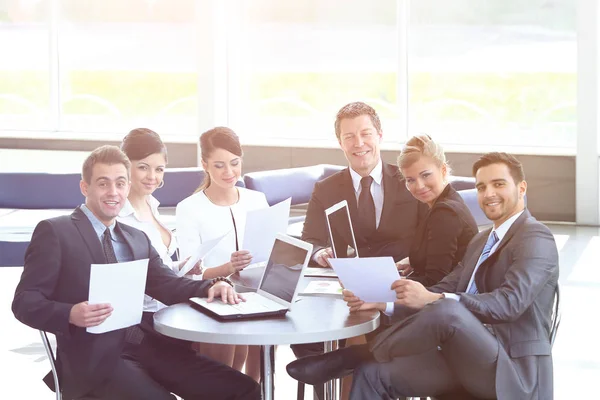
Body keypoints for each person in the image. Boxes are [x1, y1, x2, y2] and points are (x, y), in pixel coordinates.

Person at [287, 152, 559, 400]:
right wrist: (385, 303)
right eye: (481, 187)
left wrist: (436, 298)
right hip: (462, 356)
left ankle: (353, 356)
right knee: (373, 375)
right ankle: (361, 360)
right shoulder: (482, 240)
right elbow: (448, 285)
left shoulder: (536, 237)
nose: (488, 193)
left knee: (447, 309)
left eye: (499, 184)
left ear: (521, 188)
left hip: (512, 371)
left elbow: (509, 304)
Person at [12, 145, 260, 400]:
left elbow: (167, 284)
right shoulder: (56, 232)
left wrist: (211, 286)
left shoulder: (136, 238)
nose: (113, 192)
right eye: (103, 184)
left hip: (147, 345)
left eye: (120, 184)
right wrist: (71, 314)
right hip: (94, 360)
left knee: (243, 389)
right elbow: (24, 302)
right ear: (85, 188)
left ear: (128, 188)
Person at [176, 126, 267, 381]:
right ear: (204, 164)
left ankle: (258, 389)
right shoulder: (190, 209)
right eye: (219, 165)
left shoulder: (257, 199)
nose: (229, 172)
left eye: (234, 163)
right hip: (213, 298)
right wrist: (228, 268)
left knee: (264, 343)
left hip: (257, 293)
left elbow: (272, 252)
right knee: (226, 372)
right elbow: (190, 274)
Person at [301, 101, 426, 267]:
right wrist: (319, 253)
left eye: (366, 134)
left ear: (379, 136)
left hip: (405, 278)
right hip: (347, 281)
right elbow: (310, 240)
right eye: (349, 137)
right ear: (340, 143)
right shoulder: (325, 189)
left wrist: (415, 262)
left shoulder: (409, 180)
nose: (358, 143)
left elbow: (432, 236)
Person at [118, 128, 201, 312]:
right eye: (143, 167)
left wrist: (181, 267)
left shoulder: (151, 204)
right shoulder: (119, 218)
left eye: (159, 169)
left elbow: (156, 269)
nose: (152, 177)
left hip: (169, 305)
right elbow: (136, 280)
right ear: (124, 166)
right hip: (145, 316)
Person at [396, 134, 478, 287]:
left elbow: (435, 282)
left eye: (425, 175)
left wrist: (389, 283)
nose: (419, 186)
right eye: (410, 180)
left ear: (443, 170)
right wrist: (413, 262)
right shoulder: (449, 199)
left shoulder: (445, 213)